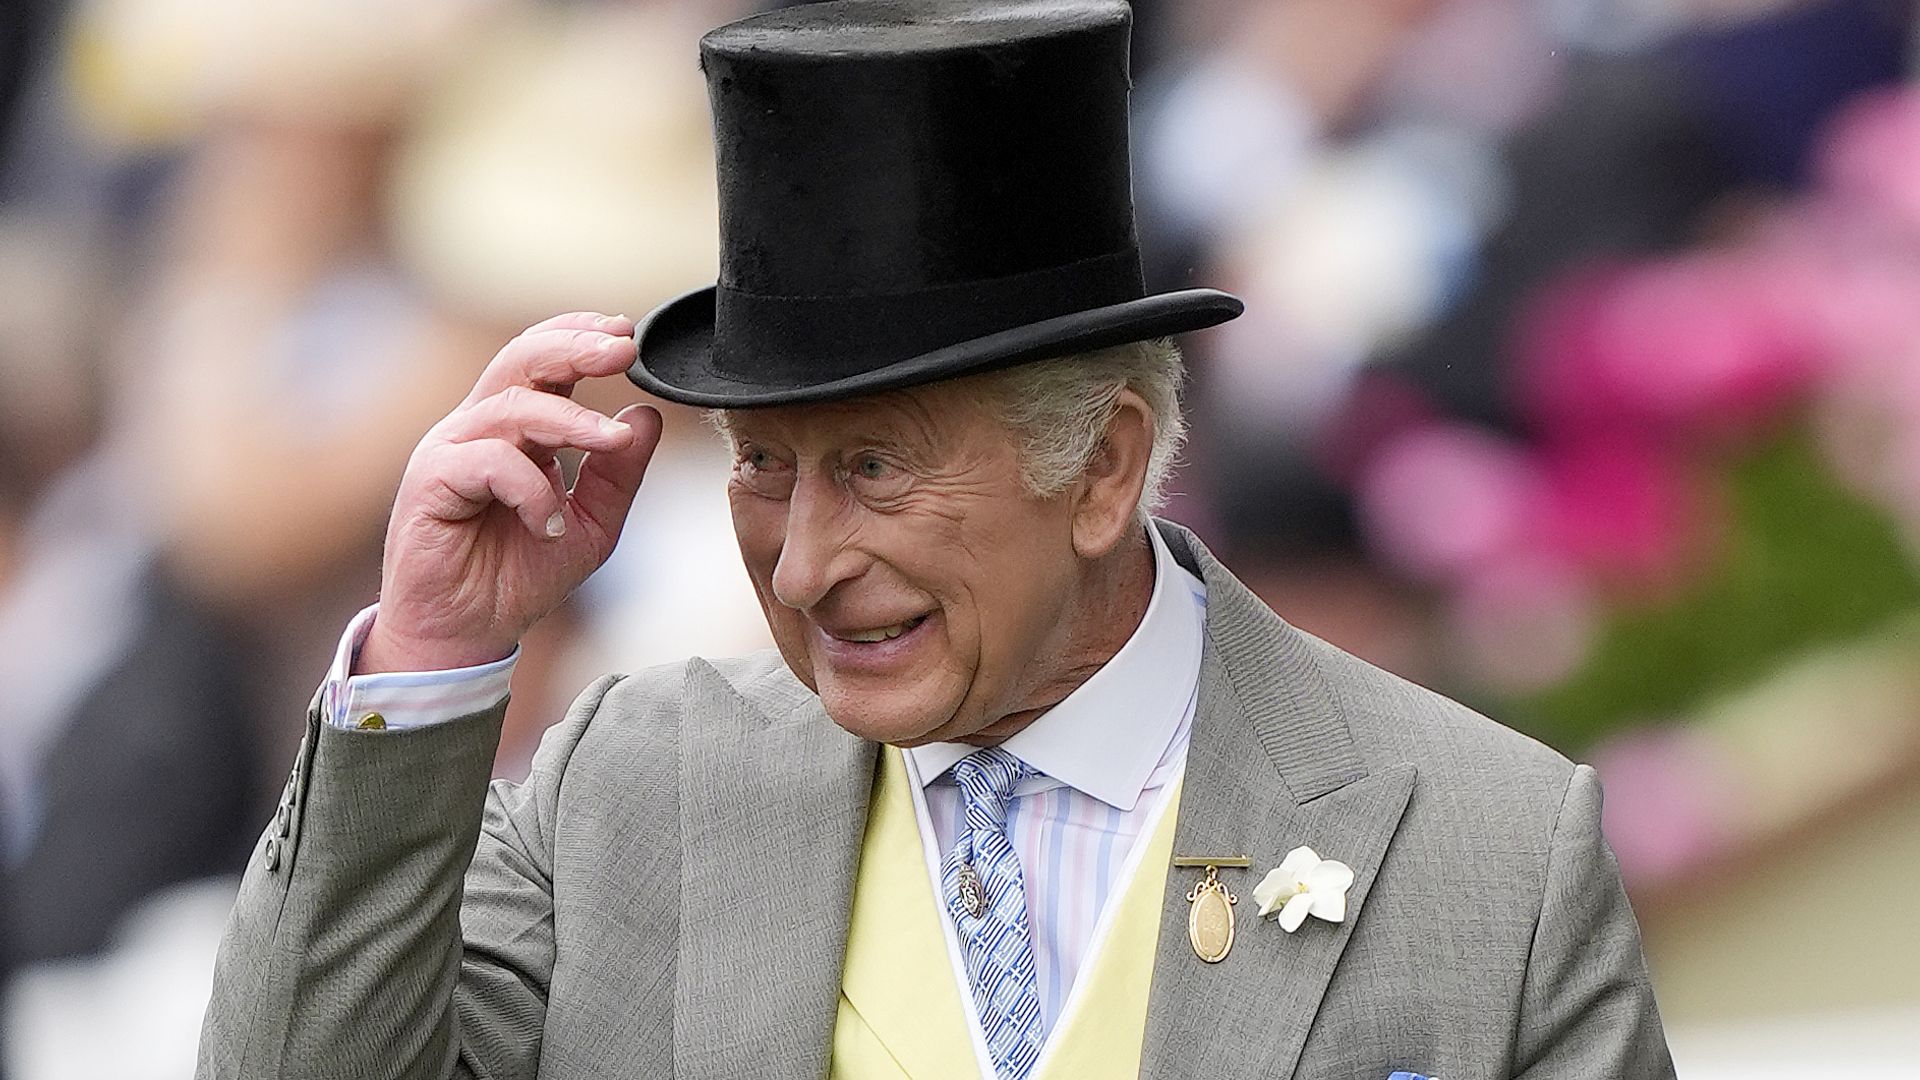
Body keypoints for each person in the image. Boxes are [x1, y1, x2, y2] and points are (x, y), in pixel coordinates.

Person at [197, 3, 1675, 1078]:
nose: (800, 564)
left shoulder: (1492, 853)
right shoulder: (627, 790)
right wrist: (433, 653)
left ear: (1103, 468)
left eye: (875, 469)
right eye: (764, 467)